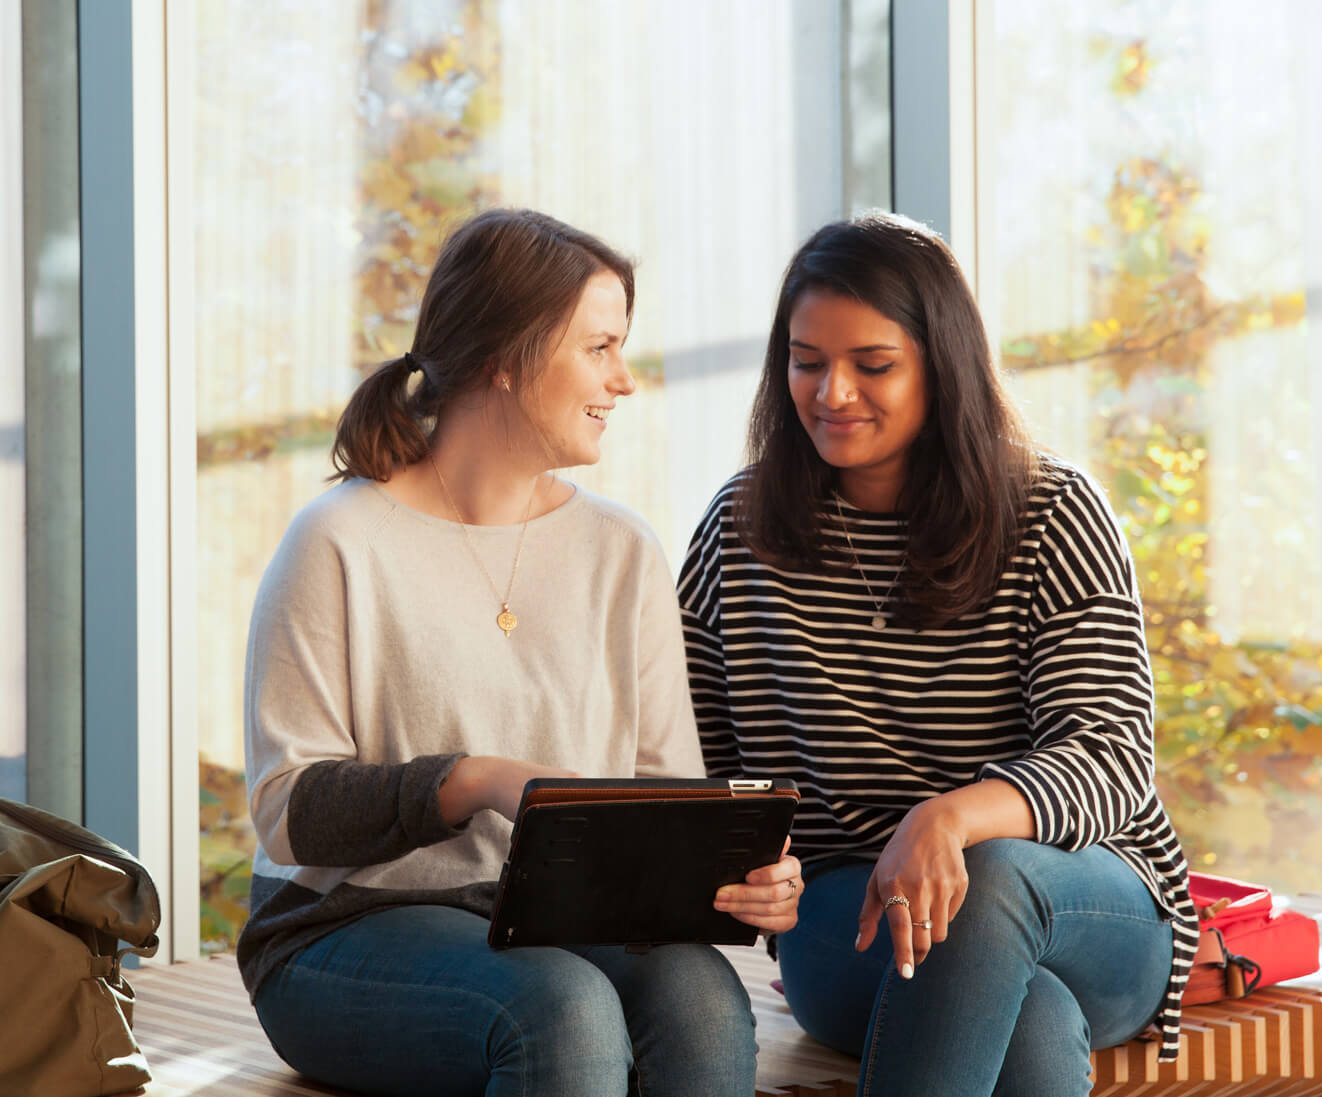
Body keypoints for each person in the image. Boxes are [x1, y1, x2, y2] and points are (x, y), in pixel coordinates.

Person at [237, 208, 802, 1097]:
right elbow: (287, 809)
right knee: (561, 1011)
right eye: (599, 347)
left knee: (699, 1001)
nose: (624, 379)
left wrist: (741, 877)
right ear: (505, 358)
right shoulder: (339, 541)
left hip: (556, 917)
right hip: (342, 930)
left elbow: (666, 796)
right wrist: (476, 780)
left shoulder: (622, 551)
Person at [677, 210, 1200, 1097]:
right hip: (852, 918)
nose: (832, 392)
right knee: (1027, 1022)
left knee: (983, 881)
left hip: (1079, 901)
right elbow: (696, 765)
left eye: (871, 365)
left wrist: (951, 816)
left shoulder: (1051, 512)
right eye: (807, 362)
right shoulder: (743, 529)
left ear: (942, 364)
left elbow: (1112, 759)